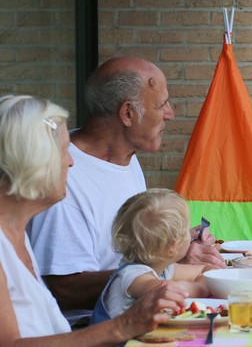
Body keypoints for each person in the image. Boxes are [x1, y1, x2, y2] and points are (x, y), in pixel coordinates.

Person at [26, 57, 226, 327]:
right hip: (91, 330)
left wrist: (169, 243)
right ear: (128, 114)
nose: (170, 113)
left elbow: (130, 249)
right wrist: (163, 264)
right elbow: (65, 288)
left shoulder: (126, 158)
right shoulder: (64, 173)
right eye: (161, 104)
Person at [0, 95, 188, 345]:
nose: (71, 161)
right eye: (63, 151)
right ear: (31, 160)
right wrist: (125, 324)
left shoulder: (16, 232)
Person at [91, 188, 216, 324]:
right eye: (186, 230)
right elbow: (166, 290)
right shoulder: (132, 276)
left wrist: (208, 278)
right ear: (173, 246)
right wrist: (203, 287)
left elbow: (207, 270)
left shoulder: (164, 268)